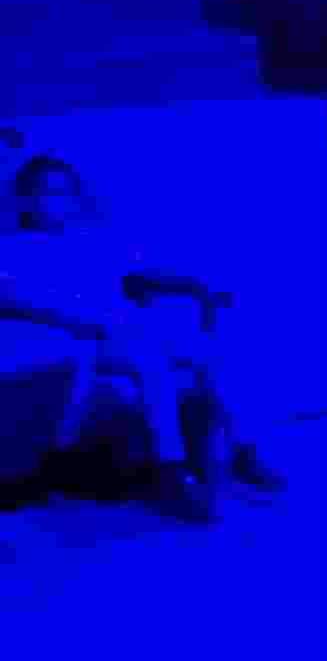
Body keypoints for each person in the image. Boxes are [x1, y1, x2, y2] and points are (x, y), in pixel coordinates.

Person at [0, 149, 271, 514]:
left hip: (129, 326)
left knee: (206, 352)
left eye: (64, 192)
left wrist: (195, 284)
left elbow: (143, 274)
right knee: (150, 360)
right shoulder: (12, 248)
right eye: (45, 192)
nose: (55, 201)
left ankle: (244, 450)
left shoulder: (92, 240)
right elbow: (9, 300)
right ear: (25, 198)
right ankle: (169, 471)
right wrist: (65, 319)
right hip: (82, 337)